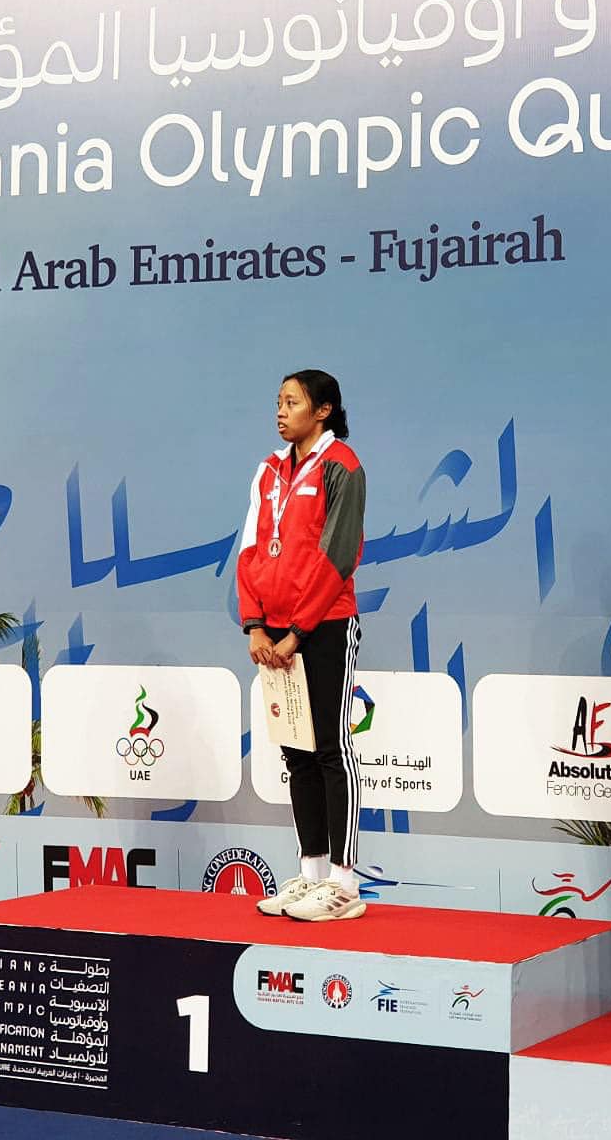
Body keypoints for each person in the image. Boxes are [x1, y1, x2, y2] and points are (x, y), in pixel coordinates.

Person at [237, 370, 368, 922]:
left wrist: (298, 632)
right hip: (274, 634)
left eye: (292, 402)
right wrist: (255, 625)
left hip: (324, 627)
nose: (281, 410)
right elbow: (249, 548)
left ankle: (344, 883)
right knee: (296, 752)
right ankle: (310, 873)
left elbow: (338, 557)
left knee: (331, 751)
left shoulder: (342, 466)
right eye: (278, 401)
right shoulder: (269, 469)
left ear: (323, 410)